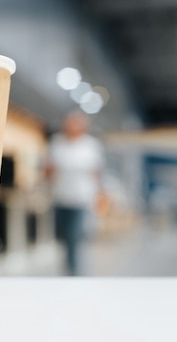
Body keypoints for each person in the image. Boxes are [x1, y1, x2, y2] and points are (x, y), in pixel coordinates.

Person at [45, 111, 104, 276]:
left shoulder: (91, 145)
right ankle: (68, 270)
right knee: (62, 238)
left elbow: (96, 173)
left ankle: (74, 273)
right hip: (60, 197)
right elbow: (48, 169)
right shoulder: (57, 142)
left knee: (74, 238)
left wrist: (99, 196)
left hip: (81, 199)